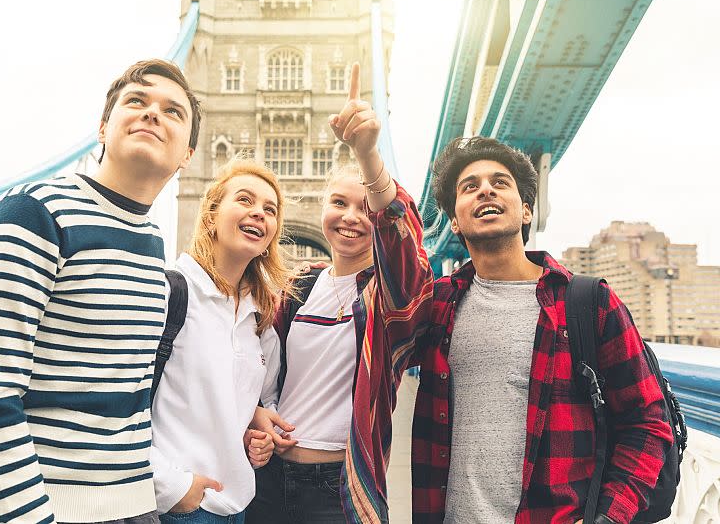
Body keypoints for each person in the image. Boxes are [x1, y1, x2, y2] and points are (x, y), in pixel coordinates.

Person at [0, 58, 200, 524]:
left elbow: (129, 399)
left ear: (188, 155)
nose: (152, 113)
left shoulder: (151, 243)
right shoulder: (32, 215)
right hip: (23, 511)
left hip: (129, 508)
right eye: (136, 101)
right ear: (103, 128)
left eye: (173, 111)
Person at [404, 137, 674, 523]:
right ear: (453, 220)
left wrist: (609, 518)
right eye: (469, 186)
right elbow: (367, 330)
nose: (485, 189)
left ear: (527, 210)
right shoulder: (436, 304)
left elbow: (647, 423)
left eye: (500, 182)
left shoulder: (588, 303)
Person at [247, 63, 433, 524]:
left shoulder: (389, 297)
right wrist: (255, 414)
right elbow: (245, 365)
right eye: (338, 203)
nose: (352, 216)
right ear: (320, 208)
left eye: (363, 206)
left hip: (338, 490)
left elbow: (402, 240)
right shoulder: (293, 290)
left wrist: (368, 155)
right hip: (267, 480)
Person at [150, 157, 291, 524]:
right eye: (245, 200)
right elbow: (118, 403)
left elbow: (258, 400)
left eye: (269, 209)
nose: (259, 213)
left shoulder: (259, 319)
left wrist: (251, 431)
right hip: (175, 506)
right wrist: (171, 486)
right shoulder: (169, 293)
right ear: (211, 216)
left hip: (237, 506)